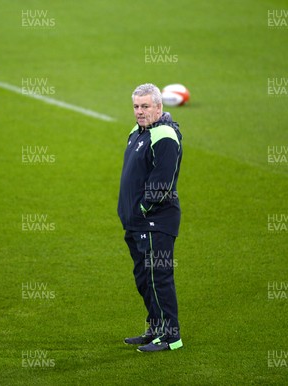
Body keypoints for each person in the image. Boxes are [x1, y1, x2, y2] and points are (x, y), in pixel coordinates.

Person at [118, 83, 183, 352]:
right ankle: (156, 328)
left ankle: (171, 337)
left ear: (159, 106)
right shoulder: (137, 132)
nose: (140, 112)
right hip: (136, 223)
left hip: (156, 222)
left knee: (159, 277)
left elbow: (162, 180)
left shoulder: (165, 135)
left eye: (145, 106)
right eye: (136, 106)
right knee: (144, 278)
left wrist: (143, 208)